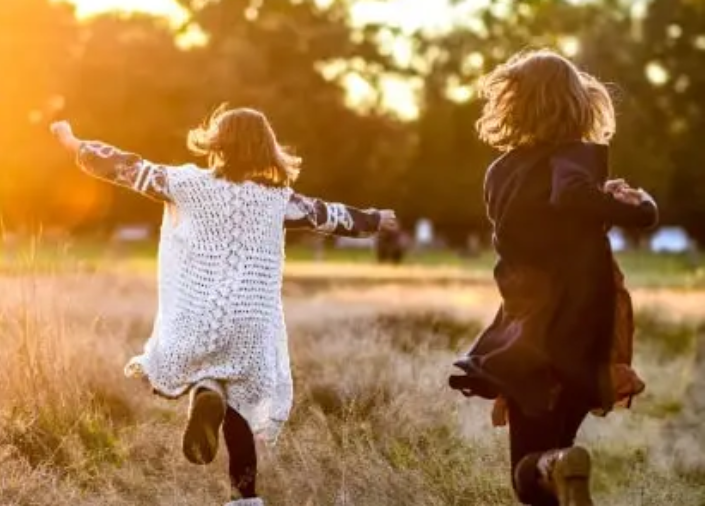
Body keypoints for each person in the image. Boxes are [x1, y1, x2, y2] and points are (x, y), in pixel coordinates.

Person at [50, 106, 397, 506]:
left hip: (197, 315)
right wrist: (375, 219)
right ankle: (244, 497)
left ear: (217, 143)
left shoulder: (184, 182)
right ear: (266, 148)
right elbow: (327, 215)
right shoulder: (276, 199)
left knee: (186, 367)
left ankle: (203, 393)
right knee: (242, 413)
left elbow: (126, 167)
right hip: (249, 322)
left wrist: (74, 142)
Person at [447, 49, 658, 506]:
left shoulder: (500, 172)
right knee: (555, 443)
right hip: (584, 324)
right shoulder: (578, 156)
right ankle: (561, 467)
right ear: (576, 103)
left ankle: (555, 467)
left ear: (515, 104)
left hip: (531, 325)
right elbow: (568, 199)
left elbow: (556, 205)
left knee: (528, 472)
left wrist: (601, 199)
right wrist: (640, 205)